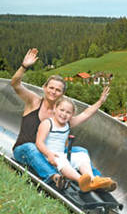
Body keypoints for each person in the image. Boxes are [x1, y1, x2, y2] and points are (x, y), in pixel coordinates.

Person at [10, 48, 104, 188]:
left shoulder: (61, 114)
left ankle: (96, 181)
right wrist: (24, 67)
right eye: (51, 88)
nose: (53, 92)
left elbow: (85, 114)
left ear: (62, 93)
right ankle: (55, 177)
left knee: (82, 151)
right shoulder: (34, 101)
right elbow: (15, 84)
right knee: (32, 148)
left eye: (58, 90)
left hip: (50, 153)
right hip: (25, 150)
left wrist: (100, 102)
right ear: (45, 87)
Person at [36, 96, 116, 192]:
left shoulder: (68, 123)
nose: (64, 114)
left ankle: (92, 180)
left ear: (72, 114)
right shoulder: (48, 123)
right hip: (48, 156)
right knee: (61, 160)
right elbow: (39, 142)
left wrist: (100, 101)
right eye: (62, 110)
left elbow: (86, 113)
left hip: (61, 154)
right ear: (55, 109)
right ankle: (81, 180)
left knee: (82, 155)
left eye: (68, 112)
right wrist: (49, 154)